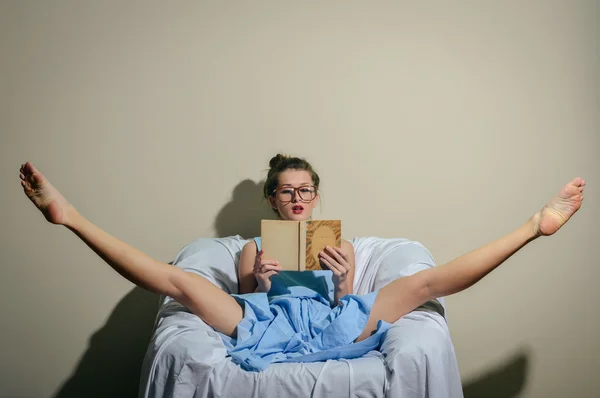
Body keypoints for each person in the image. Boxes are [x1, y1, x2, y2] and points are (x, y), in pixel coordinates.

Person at [18, 155, 586, 372]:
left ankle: (535, 225)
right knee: (179, 284)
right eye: (286, 191)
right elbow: (243, 305)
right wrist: (259, 282)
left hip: (333, 318)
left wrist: (343, 281)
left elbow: (350, 304)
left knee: (424, 284)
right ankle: (69, 217)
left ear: (316, 196)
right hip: (266, 321)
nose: (297, 197)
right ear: (273, 198)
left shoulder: (343, 244)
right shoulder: (249, 247)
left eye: (305, 189)